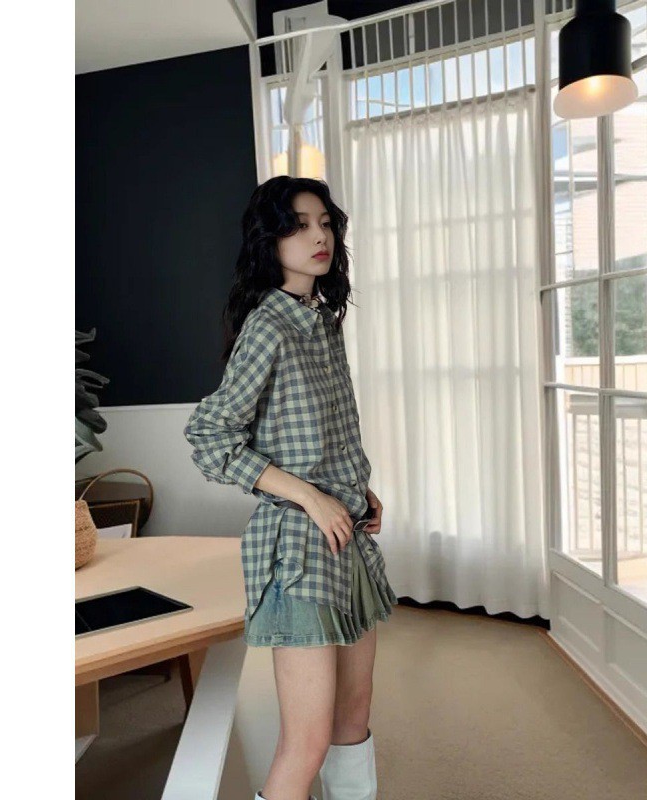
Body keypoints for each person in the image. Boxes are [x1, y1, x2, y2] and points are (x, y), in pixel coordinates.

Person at [184, 175, 399, 800]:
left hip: (347, 538)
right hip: (300, 550)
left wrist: (356, 490)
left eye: (325, 223)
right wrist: (310, 495)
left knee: (353, 720)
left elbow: (327, 430)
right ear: (269, 240)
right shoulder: (269, 327)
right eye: (299, 225)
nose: (318, 236)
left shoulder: (322, 321)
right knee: (305, 742)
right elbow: (210, 436)